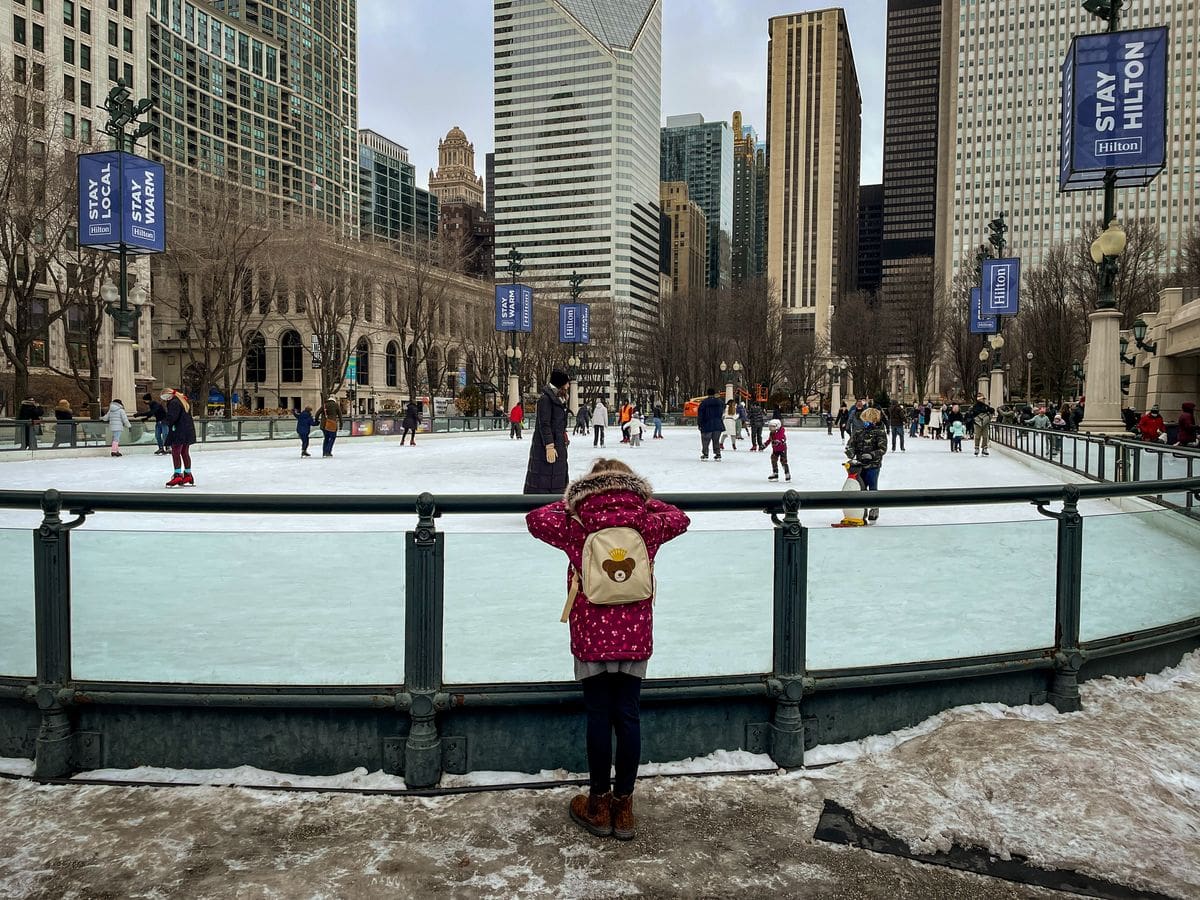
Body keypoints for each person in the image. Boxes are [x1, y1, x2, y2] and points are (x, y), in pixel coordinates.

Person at [525, 457, 690, 840]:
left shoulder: (577, 521)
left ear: (589, 486)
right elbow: (680, 518)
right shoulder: (646, 521)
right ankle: (625, 807)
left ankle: (598, 804)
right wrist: (644, 502)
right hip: (634, 632)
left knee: (599, 714)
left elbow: (536, 519)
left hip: (591, 631)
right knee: (628, 715)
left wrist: (574, 500)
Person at [524, 369, 572, 494]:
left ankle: (556, 502)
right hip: (546, 447)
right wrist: (549, 446)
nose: (568, 386)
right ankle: (542, 504)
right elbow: (544, 424)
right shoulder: (545, 400)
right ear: (560, 383)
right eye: (566, 383)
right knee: (543, 478)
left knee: (557, 478)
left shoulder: (559, 399)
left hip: (558, 444)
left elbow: (558, 424)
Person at [845, 407, 888, 520]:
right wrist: (850, 451)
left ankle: (874, 508)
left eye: (866, 420)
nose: (864, 423)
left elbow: (882, 449)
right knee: (860, 488)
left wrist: (872, 455)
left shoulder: (880, 433)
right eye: (863, 421)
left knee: (872, 488)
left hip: (873, 465)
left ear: (873, 420)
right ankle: (861, 510)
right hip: (859, 466)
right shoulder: (859, 432)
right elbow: (852, 444)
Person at [163, 389, 197, 486]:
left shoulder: (173, 402)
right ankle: (188, 474)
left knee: (176, 452)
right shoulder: (182, 400)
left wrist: (165, 421)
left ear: (168, 395)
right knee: (184, 452)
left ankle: (177, 474)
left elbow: (173, 417)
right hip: (187, 430)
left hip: (178, 431)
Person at [696, 387, 724, 461]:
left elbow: (700, 414)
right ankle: (718, 454)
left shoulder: (704, 403)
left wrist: (700, 424)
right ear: (714, 393)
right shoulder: (720, 402)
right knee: (716, 440)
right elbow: (722, 412)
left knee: (705, 440)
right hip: (717, 424)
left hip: (707, 424)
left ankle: (705, 454)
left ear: (707, 393)